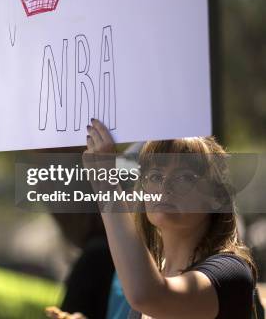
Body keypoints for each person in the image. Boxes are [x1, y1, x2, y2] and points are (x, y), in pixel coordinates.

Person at [83, 118, 262, 319]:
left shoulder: (231, 273)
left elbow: (148, 296)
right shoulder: (151, 278)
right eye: (155, 177)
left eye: (184, 177)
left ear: (217, 198)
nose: (164, 187)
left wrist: (106, 185)